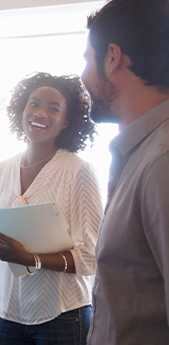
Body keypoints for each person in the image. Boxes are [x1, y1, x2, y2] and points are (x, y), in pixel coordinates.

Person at [0, 73, 103, 345]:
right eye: (33, 104)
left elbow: (91, 257)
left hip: (63, 316)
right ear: (22, 109)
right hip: (9, 317)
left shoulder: (79, 170)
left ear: (67, 121)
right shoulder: (4, 169)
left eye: (53, 108)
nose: (40, 113)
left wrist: (32, 260)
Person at [82, 0, 169, 343]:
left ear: (113, 57)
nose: (84, 75)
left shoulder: (161, 161)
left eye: (87, 59)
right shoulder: (139, 154)